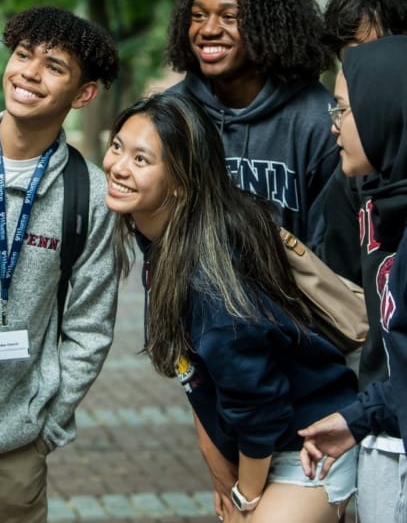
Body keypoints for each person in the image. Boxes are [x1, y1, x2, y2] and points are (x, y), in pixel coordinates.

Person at [103, 92, 358, 522]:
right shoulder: (167, 243)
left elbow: (259, 406)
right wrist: (216, 457)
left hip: (310, 443)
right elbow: (199, 372)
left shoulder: (209, 278)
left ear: (181, 182)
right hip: (260, 444)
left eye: (141, 159)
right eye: (117, 147)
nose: (118, 167)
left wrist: (246, 497)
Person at [0, 5, 121, 523]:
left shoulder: (91, 196)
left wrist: (49, 424)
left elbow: (89, 325)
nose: (29, 74)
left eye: (54, 67)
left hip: (11, 446)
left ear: (83, 94)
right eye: (23, 56)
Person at [300, 36, 407, 523]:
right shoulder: (378, 199)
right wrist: (358, 420)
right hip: (384, 436)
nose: (334, 126)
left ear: (385, 108)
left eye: (344, 109)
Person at [165, 0, 338, 248]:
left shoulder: (318, 120)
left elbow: (329, 245)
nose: (208, 29)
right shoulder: (172, 112)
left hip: (287, 293)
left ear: (268, 25)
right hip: (187, 292)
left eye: (229, 17)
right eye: (198, 15)